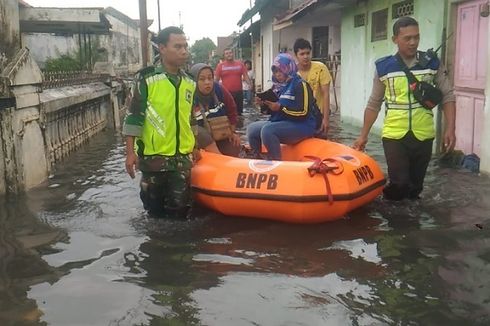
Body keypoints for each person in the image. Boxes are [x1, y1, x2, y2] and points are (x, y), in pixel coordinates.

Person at [352, 17, 456, 201]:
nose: (413, 42)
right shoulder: (384, 67)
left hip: (424, 133)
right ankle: (392, 220)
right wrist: (363, 136)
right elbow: (374, 103)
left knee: (416, 188)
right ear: (395, 39)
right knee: (399, 183)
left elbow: (447, 95)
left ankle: (410, 225)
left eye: (416, 37)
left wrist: (450, 129)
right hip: (394, 135)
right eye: (407, 38)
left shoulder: (431, 63)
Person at [122, 26, 198, 218]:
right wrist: (130, 153)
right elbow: (134, 116)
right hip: (153, 160)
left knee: (180, 213)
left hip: (181, 161)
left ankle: (177, 247)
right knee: (154, 214)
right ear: (162, 48)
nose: (184, 51)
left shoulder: (189, 82)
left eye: (185, 46)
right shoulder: (146, 79)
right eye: (178, 46)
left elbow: (190, 118)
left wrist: (195, 146)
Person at [247, 53, 319, 161]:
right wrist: (264, 105)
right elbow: (276, 112)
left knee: (268, 130)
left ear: (289, 68)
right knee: (252, 129)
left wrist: (280, 108)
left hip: (303, 125)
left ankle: (276, 161)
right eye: (275, 71)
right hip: (285, 122)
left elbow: (303, 112)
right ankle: (257, 158)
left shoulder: (301, 85)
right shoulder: (280, 88)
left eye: (280, 70)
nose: (277, 74)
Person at [189, 63, 241, 157]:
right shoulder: (188, 95)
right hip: (200, 138)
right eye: (202, 79)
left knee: (235, 146)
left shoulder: (219, 89)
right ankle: (220, 158)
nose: (207, 82)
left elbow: (232, 110)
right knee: (200, 132)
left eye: (210, 78)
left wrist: (233, 132)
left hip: (219, 133)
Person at [293, 38, 332, 136]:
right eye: (302, 54)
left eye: (308, 53)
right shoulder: (292, 72)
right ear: (296, 55)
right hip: (299, 116)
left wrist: (326, 119)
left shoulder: (320, 68)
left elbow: (326, 94)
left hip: (318, 115)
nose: (306, 56)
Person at [214, 48, 252, 116]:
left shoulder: (240, 64)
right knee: (228, 112)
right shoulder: (220, 66)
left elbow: (245, 76)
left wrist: (250, 84)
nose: (229, 55)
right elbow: (216, 80)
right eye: (227, 53)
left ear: (233, 54)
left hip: (239, 92)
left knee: (239, 112)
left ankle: (240, 125)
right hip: (226, 93)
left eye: (230, 53)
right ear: (224, 55)